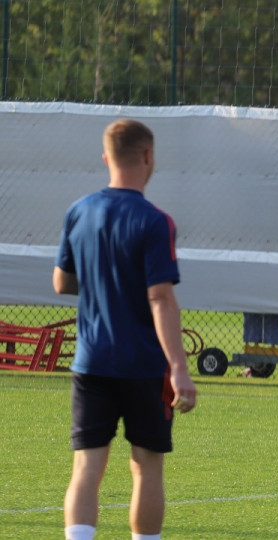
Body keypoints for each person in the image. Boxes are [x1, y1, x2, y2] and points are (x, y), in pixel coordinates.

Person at [53, 119, 197, 540]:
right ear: (148, 155)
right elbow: (160, 298)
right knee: (147, 464)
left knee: (87, 466)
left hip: (91, 362)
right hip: (144, 366)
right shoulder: (155, 221)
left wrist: (102, 277)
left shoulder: (78, 211)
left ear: (106, 158)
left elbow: (62, 281)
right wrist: (180, 369)